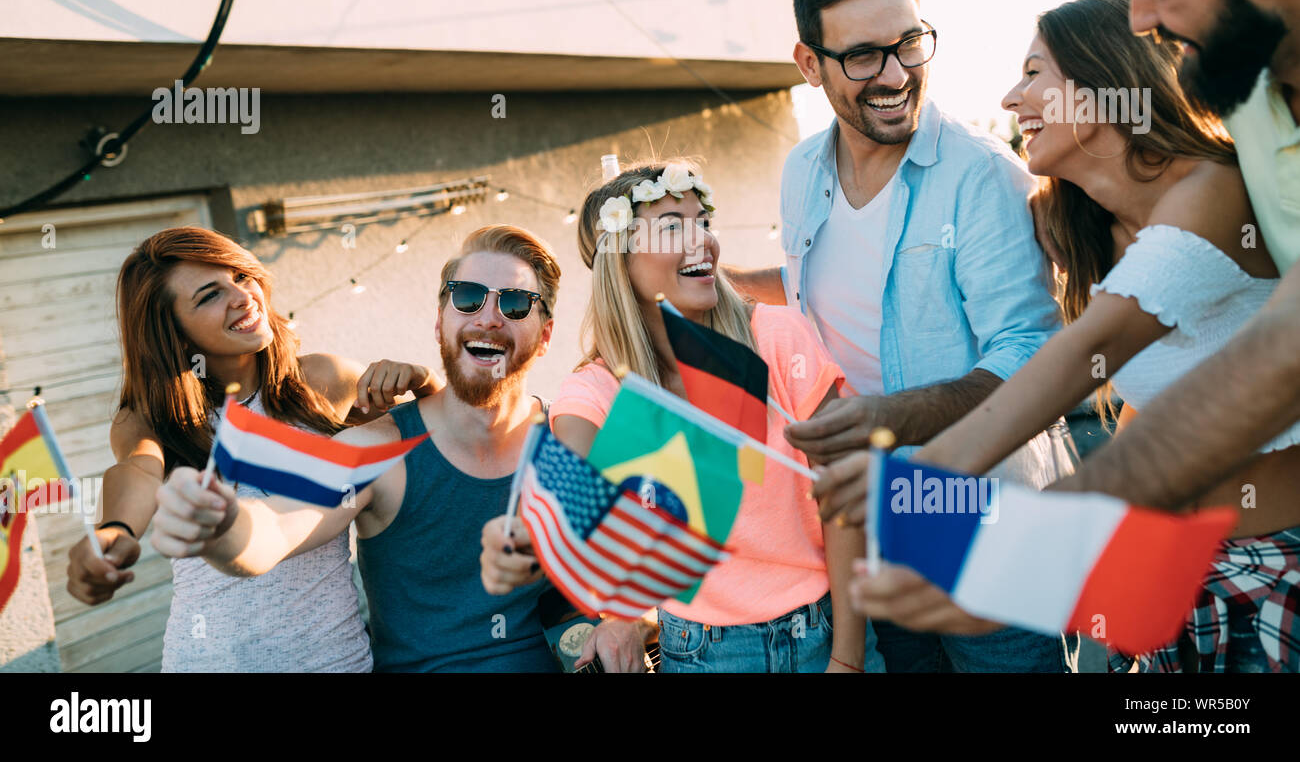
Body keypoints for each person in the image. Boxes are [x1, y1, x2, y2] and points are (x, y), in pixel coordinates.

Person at [842, 0, 1300, 673]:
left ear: (1104, 91)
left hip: (1271, 571)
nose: (1140, 16)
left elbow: (1096, 352)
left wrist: (1012, 533)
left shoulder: (1213, 190)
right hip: (1175, 577)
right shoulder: (1072, 221)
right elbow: (1117, 389)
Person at [725, 0, 1078, 672]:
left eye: (909, 44)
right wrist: (708, 281)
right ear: (808, 64)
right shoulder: (801, 172)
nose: (894, 75)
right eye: (862, 56)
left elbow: (1032, 358)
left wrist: (888, 419)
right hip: (865, 529)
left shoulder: (982, 177)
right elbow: (813, 286)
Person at [150, 225, 650, 672]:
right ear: (440, 322)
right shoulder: (375, 450)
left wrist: (633, 620)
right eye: (469, 297)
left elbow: (668, 561)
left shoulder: (572, 437)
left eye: (516, 303)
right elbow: (276, 527)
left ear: (544, 337)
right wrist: (220, 526)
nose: (490, 317)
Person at [484, 160, 880, 673]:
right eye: (673, 226)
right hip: (703, 655)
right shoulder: (599, 390)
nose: (704, 241)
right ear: (621, 260)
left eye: (704, 222)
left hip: (829, 631)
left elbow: (847, 495)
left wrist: (847, 660)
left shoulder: (778, 338)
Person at [65, 226, 439, 671]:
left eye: (241, 276)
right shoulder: (152, 418)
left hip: (335, 662)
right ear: (175, 334)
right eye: (209, 296)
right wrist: (115, 530)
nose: (243, 297)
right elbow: (138, 470)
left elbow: (439, 443)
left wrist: (425, 384)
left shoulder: (323, 381)